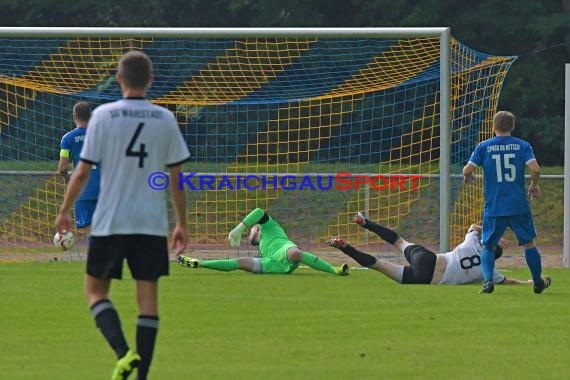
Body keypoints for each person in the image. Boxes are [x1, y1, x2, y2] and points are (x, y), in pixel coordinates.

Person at [55, 50, 190, 380]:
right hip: (150, 223)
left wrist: (63, 211)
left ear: (119, 79)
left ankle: (123, 352)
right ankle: (141, 375)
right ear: (150, 80)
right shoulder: (165, 119)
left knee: (95, 292)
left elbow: (82, 172)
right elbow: (176, 177)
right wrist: (181, 223)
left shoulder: (103, 117)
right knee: (148, 302)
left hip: (110, 220)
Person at [463, 110, 551, 294]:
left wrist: (469, 176)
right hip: (518, 205)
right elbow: (535, 169)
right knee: (529, 244)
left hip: (494, 206)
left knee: (488, 244)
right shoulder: (522, 145)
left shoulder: (484, 146)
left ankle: (487, 282)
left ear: (493, 126)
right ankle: (537, 282)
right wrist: (534, 185)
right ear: (512, 126)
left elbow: (467, 169)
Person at [327, 212, 538, 286]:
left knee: (399, 241)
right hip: (424, 279)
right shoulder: (489, 271)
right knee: (378, 265)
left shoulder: (473, 242)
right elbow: (509, 282)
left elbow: (474, 227)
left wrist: (495, 232)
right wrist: (528, 282)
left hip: (427, 259)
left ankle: (365, 222)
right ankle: (344, 246)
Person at [178, 207, 349, 276]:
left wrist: (239, 228)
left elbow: (259, 211)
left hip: (284, 250)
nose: (251, 231)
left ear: (257, 228)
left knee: (295, 252)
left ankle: (336, 270)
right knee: (240, 262)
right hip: (271, 263)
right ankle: (199, 263)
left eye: (252, 229)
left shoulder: (270, 228)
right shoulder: (260, 243)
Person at [57, 101, 100, 258]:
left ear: (74, 115)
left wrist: (68, 177)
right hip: (105, 187)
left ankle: (97, 266)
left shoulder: (68, 139)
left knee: (91, 231)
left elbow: (62, 168)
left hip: (83, 189)